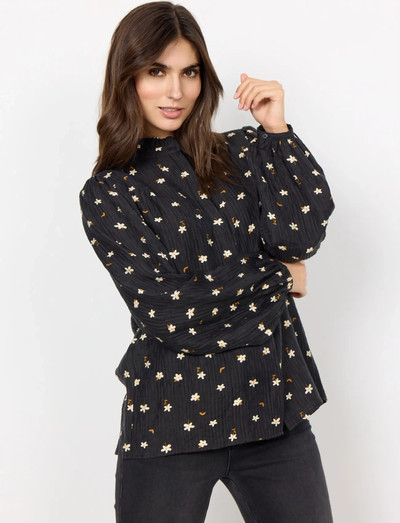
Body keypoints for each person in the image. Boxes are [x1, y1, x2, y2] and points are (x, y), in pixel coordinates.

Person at [78, 2, 335, 522]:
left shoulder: (243, 153)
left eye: (189, 72)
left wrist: (277, 132)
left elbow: (300, 237)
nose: (175, 91)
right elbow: (171, 312)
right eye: (157, 72)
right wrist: (277, 280)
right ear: (128, 78)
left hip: (274, 415)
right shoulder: (110, 192)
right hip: (169, 423)